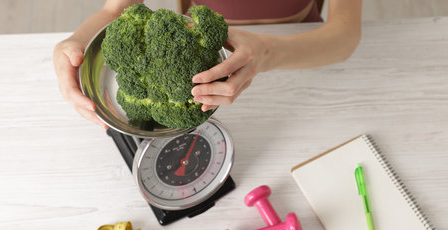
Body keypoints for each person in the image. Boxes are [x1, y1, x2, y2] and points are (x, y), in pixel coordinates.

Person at [53, 0, 361, 129]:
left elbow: (344, 36)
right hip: (196, 56)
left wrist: (268, 52)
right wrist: (77, 42)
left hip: (299, 48)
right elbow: (117, 11)